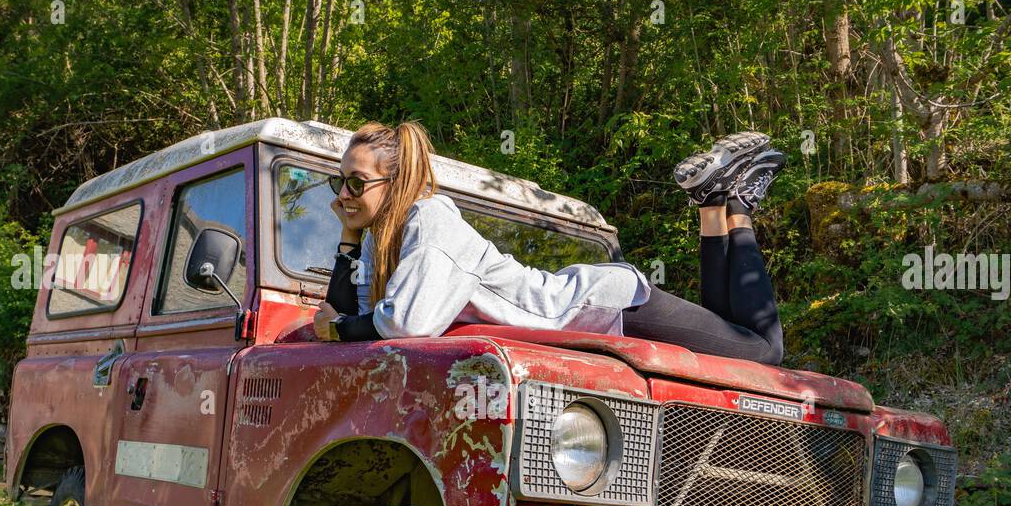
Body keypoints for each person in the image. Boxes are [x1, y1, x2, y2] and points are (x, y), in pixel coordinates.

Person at [314, 120, 785, 365]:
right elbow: (346, 317)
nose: (345, 195)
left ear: (394, 184)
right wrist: (350, 236)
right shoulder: (382, 240)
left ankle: (737, 205)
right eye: (340, 183)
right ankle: (713, 201)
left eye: (356, 182)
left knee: (763, 352)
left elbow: (404, 324)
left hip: (603, 306)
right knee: (729, 333)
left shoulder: (429, 218)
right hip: (590, 313)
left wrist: (339, 330)